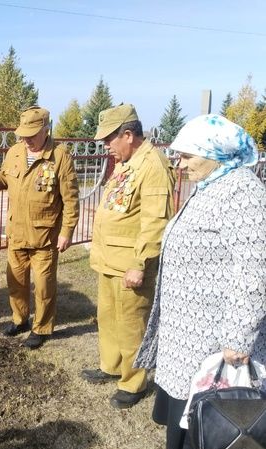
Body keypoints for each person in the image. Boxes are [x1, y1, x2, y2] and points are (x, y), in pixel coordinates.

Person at [135, 114, 266, 449]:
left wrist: (238, 337)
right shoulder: (211, 185)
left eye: (187, 156)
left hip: (214, 344)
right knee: (185, 431)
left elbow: (255, 267)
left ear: (217, 152)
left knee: (213, 433)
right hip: (189, 338)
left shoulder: (243, 191)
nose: (179, 164)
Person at [81, 104, 176, 409]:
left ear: (128, 135)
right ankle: (111, 366)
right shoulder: (126, 161)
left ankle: (133, 381)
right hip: (110, 261)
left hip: (131, 266)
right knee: (108, 318)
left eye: (110, 139)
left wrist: (140, 264)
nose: (106, 146)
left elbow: (155, 222)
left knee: (132, 323)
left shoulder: (153, 165)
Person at [0, 106, 80, 349]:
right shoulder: (14, 152)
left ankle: (41, 327)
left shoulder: (60, 157)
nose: (27, 140)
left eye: (32, 134)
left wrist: (67, 232)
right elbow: (5, 179)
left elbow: (71, 199)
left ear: (46, 129)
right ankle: (20, 320)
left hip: (45, 236)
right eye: (23, 135)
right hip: (16, 232)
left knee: (43, 286)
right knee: (16, 282)